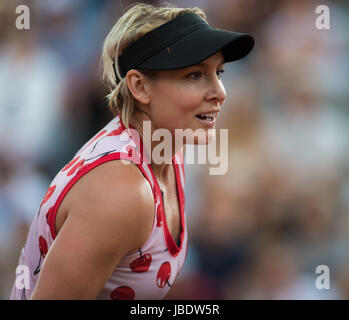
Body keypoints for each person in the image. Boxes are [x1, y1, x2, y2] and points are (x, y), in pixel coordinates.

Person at [10, 2, 254, 300]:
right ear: (139, 87)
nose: (220, 92)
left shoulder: (167, 148)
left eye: (218, 72)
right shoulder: (122, 191)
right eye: (194, 75)